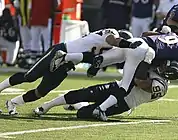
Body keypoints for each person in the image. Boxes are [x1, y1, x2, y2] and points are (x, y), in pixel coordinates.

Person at [0, 28, 139, 115]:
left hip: (66, 64)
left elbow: (94, 61)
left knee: (41, 92)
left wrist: (93, 69)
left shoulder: (113, 52)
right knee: (30, 76)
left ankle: (13, 103)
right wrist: (130, 44)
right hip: (60, 52)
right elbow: (113, 40)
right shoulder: (112, 34)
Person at [34, 60, 178, 121]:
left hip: (124, 102)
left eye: (165, 68)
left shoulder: (161, 86)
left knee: (83, 114)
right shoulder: (157, 69)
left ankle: (78, 106)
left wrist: (140, 64)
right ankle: (47, 105)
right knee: (84, 93)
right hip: (118, 86)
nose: (162, 66)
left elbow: (139, 82)